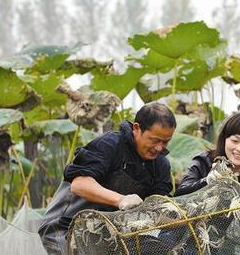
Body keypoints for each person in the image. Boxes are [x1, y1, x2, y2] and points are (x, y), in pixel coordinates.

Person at [38, 103, 176, 255]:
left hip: (107, 237)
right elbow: (79, 185)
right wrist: (121, 200)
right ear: (136, 129)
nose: (159, 148)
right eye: (154, 140)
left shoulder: (160, 164)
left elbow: (159, 206)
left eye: (165, 142)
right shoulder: (110, 144)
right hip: (64, 229)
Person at [176, 112, 240, 196]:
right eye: (235, 141)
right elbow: (180, 193)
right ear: (224, 140)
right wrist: (207, 181)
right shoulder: (203, 161)